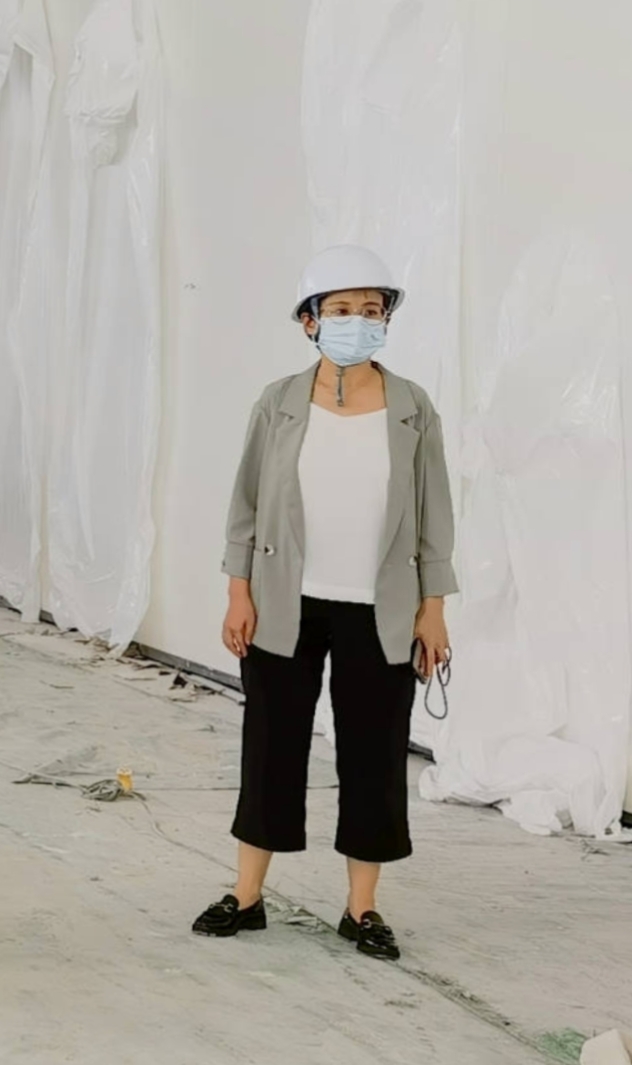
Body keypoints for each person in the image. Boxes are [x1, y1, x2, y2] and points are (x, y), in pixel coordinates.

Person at [194, 244, 453, 962]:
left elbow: (434, 514)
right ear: (309, 321)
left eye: (371, 310)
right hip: (284, 603)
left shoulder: (412, 407)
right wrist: (238, 592)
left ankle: (361, 908)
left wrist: (433, 607)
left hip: (382, 609)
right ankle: (246, 896)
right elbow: (245, 505)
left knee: (374, 756)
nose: (356, 321)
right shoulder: (278, 402)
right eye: (340, 309)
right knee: (269, 747)